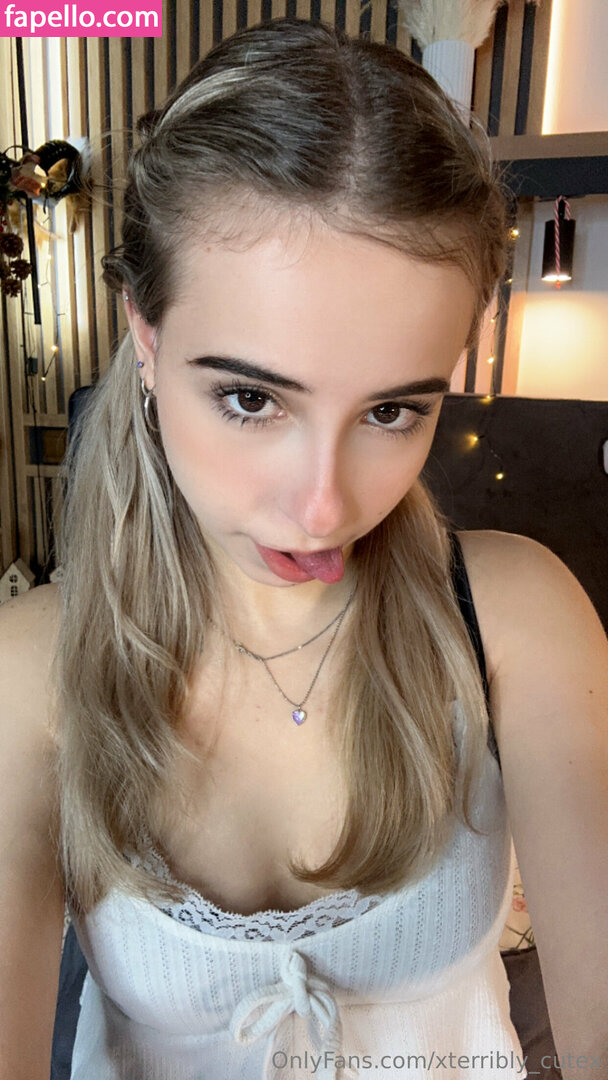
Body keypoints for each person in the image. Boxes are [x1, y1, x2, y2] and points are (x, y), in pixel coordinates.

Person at [1, 17, 606, 1080]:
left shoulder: (516, 619)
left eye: (391, 412)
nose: (323, 509)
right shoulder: (32, 669)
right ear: (145, 334)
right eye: (250, 399)